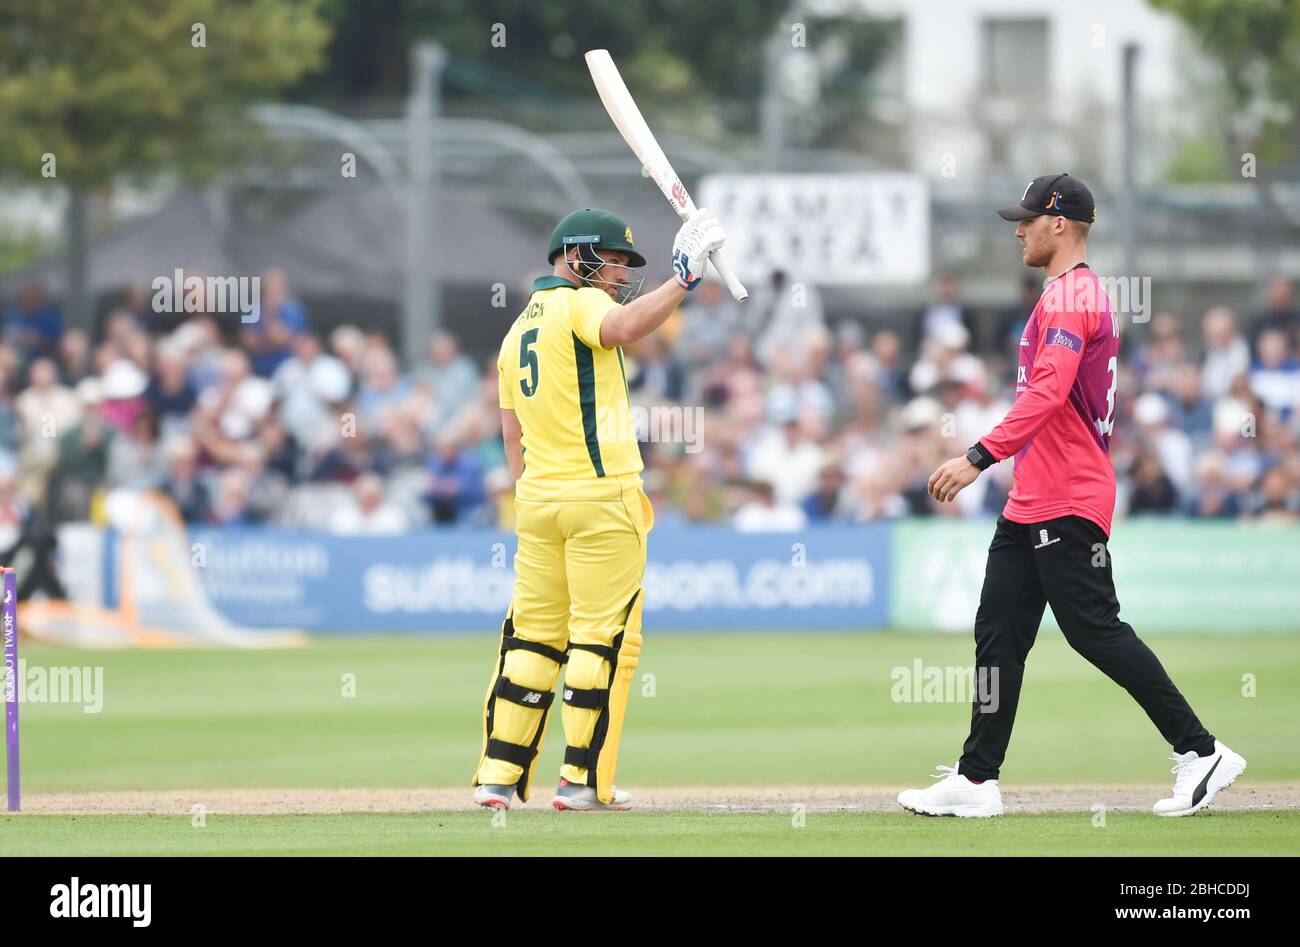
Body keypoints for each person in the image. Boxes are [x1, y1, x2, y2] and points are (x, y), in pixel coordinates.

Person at [898, 174, 1245, 818]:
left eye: (1027, 220)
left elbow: (1049, 392)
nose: (1019, 231)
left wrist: (978, 457)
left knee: (1092, 629)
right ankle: (976, 779)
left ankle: (1202, 751)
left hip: (1067, 493)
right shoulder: (1065, 294)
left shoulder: (1072, 297)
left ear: (1060, 224)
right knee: (999, 631)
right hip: (1033, 497)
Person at [472, 206, 726, 812]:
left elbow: (511, 436)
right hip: (602, 497)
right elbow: (624, 328)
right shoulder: (579, 303)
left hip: (537, 503)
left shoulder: (515, 331)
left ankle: (498, 778)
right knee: (600, 639)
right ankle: (581, 782)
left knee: (532, 639)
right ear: (576, 255)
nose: (619, 274)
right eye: (611, 260)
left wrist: (536, 496)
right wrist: (684, 279)